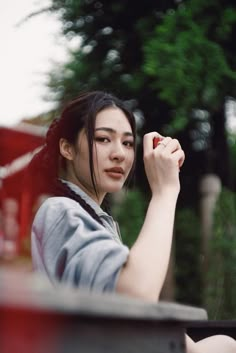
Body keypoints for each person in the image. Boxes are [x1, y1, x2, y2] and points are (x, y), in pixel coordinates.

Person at [30, 91, 236, 353]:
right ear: (67, 147)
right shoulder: (60, 211)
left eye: (128, 143)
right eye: (103, 139)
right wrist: (165, 192)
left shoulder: (93, 218)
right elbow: (135, 297)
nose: (119, 154)